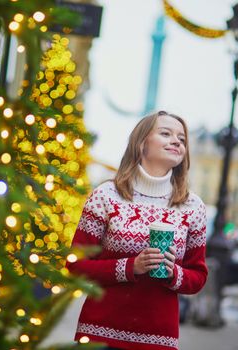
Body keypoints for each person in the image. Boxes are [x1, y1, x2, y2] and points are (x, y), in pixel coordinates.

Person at [67, 111, 208, 350]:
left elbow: (198, 276)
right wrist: (131, 267)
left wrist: (172, 272)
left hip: (158, 339)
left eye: (182, 139)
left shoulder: (193, 207)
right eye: (165, 134)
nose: (176, 141)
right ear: (141, 144)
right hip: (99, 334)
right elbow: (75, 265)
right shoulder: (106, 196)